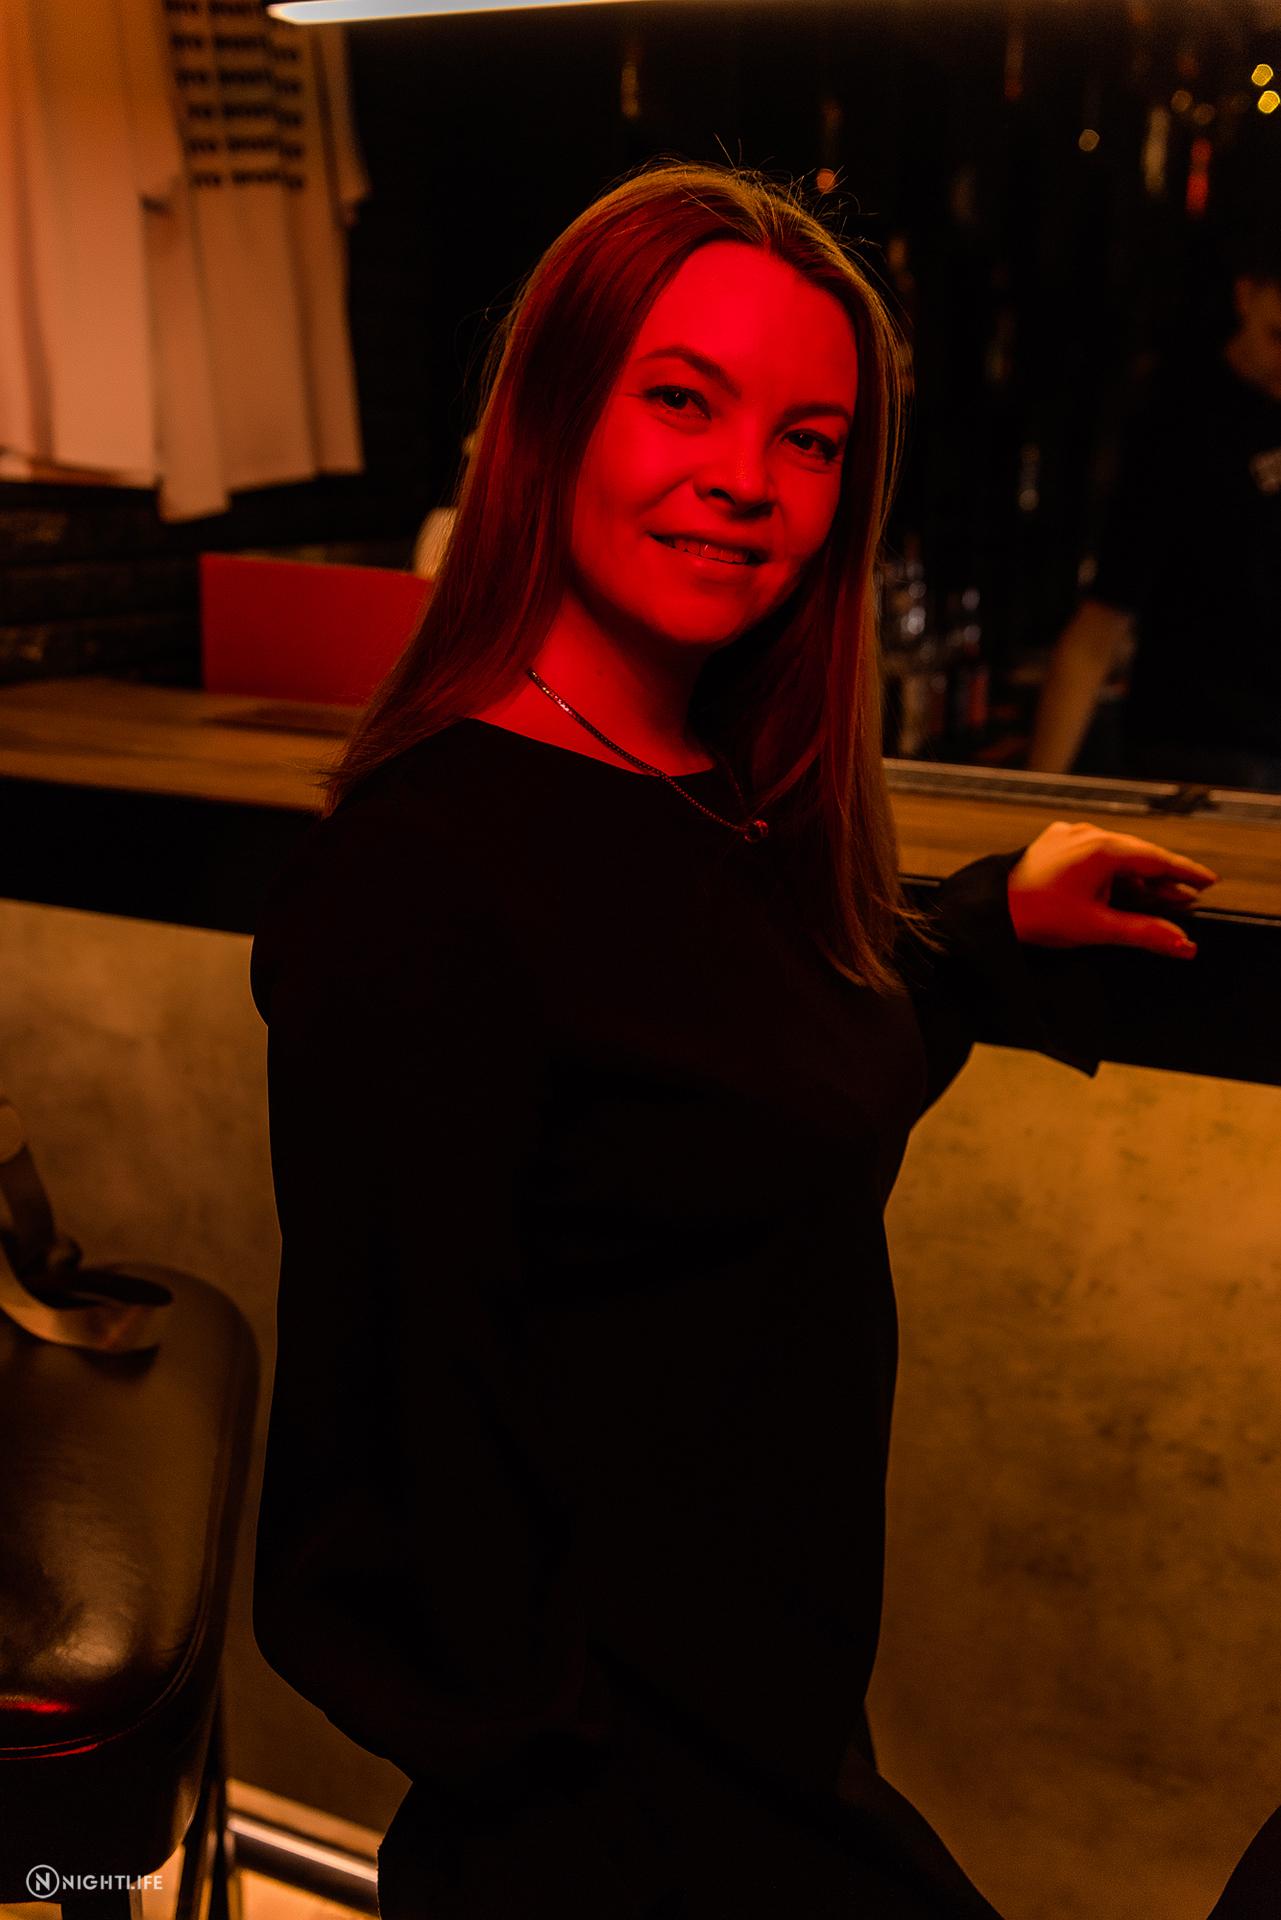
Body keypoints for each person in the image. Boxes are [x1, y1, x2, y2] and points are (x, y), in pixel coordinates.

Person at [249, 162, 1276, 1917]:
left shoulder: (717, 797)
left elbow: (747, 1088)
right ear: (550, 417)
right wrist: (571, 1766)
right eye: (683, 400)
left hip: (779, 1748)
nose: (747, 478)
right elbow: (383, 1489)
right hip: (617, 1821)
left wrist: (978, 932)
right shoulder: (425, 880)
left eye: (811, 439)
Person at [1027, 235, 1281, 791]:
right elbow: (1100, 626)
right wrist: (1033, 796)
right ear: (1247, 295)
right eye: (1278, 336)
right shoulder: (1181, 420)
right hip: (1196, 753)